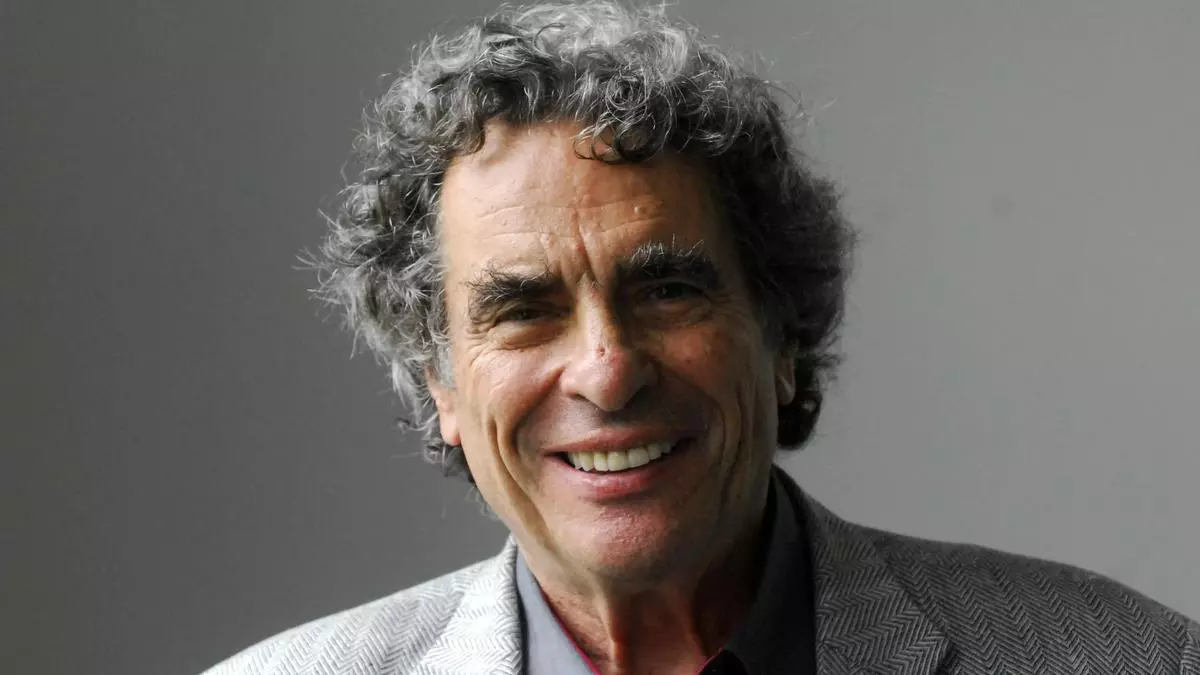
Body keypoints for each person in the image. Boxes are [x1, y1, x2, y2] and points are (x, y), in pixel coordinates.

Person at [203, 2, 1199, 673]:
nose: (607, 371)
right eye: (523, 309)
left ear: (782, 334)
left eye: (669, 289)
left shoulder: (1131, 660)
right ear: (442, 388)